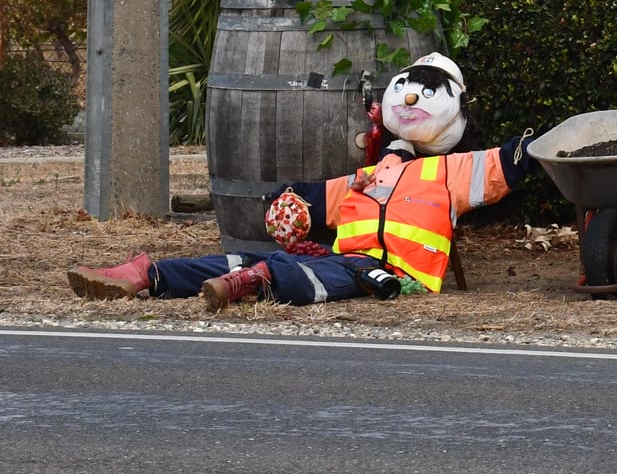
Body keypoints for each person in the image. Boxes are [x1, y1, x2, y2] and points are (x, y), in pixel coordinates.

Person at [67, 54, 542, 310]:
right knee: (254, 255)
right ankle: (147, 276)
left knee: (315, 276)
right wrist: (290, 203)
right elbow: (314, 201)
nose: (412, 97)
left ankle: (252, 283)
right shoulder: (368, 175)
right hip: (343, 259)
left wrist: (546, 144)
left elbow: (508, 162)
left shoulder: (450, 172)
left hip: (391, 275)